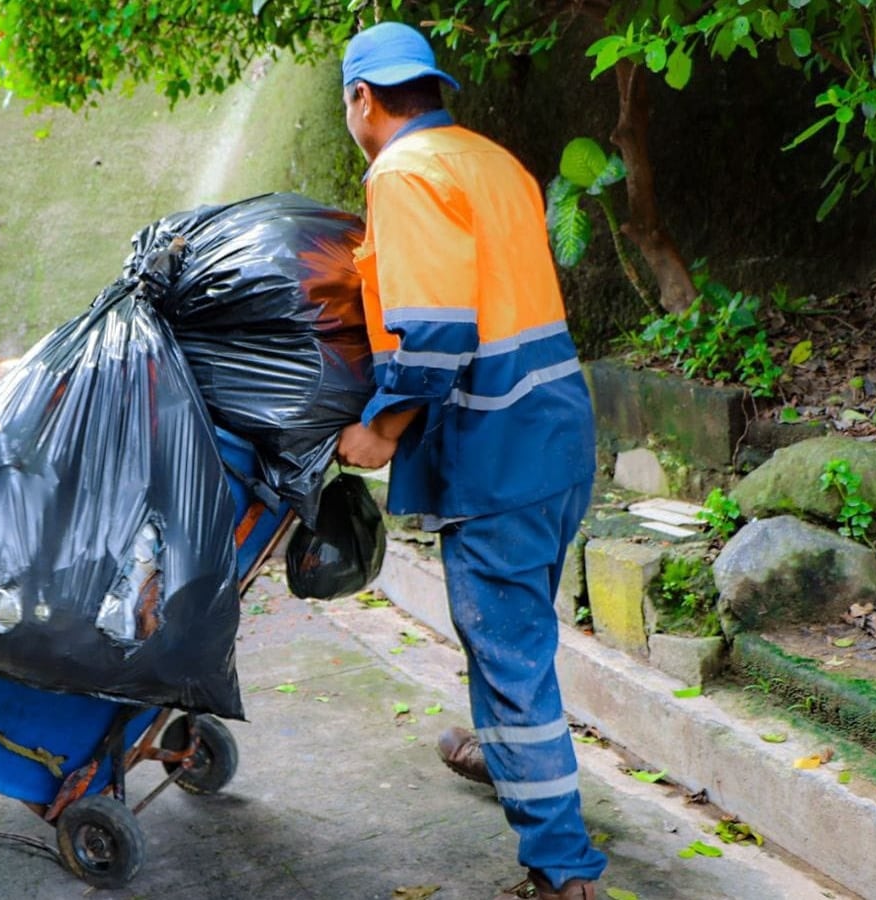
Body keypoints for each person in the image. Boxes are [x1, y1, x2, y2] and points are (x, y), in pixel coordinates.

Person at [335, 21, 606, 900]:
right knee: (516, 633)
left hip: (499, 452)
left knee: (508, 652)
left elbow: (438, 333)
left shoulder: (404, 174)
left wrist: (380, 429)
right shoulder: (492, 160)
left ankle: (562, 872)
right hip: (558, 429)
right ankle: (510, 756)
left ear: (363, 100)